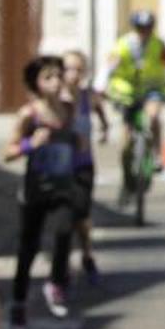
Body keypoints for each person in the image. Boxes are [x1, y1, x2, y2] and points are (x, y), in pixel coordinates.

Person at [4, 55, 80, 329]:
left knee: (63, 231)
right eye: (48, 76)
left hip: (62, 186)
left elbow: (72, 138)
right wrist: (29, 144)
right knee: (28, 249)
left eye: (58, 75)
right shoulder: (29, 115)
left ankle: (56, 282)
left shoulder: (68, 110)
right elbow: (8, 152)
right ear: (36, 83)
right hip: (36, 189)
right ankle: (19, 304)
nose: (56, 81)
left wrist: (76, 143)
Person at [103, 10, 165, 200]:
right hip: (128, 92)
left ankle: (157, 155)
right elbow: (110, 66)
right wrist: (101, 85)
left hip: (152, 88)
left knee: (153, 115)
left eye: (148, 28)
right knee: (126, 140)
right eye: (141, 28)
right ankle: (127, 175)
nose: (145, 32)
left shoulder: (159, 44)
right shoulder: (123, 45)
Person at [61, 49, 107, 283]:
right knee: (65, 217)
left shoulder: (88, 97)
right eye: (69, 68)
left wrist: (105, 128)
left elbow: (100, 110)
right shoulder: (57, 98)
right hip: (61, 167)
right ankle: (64, 265)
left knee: (82, 215)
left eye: (79, 69)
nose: (73, 74)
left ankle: (87, 255)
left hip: (83, 165)